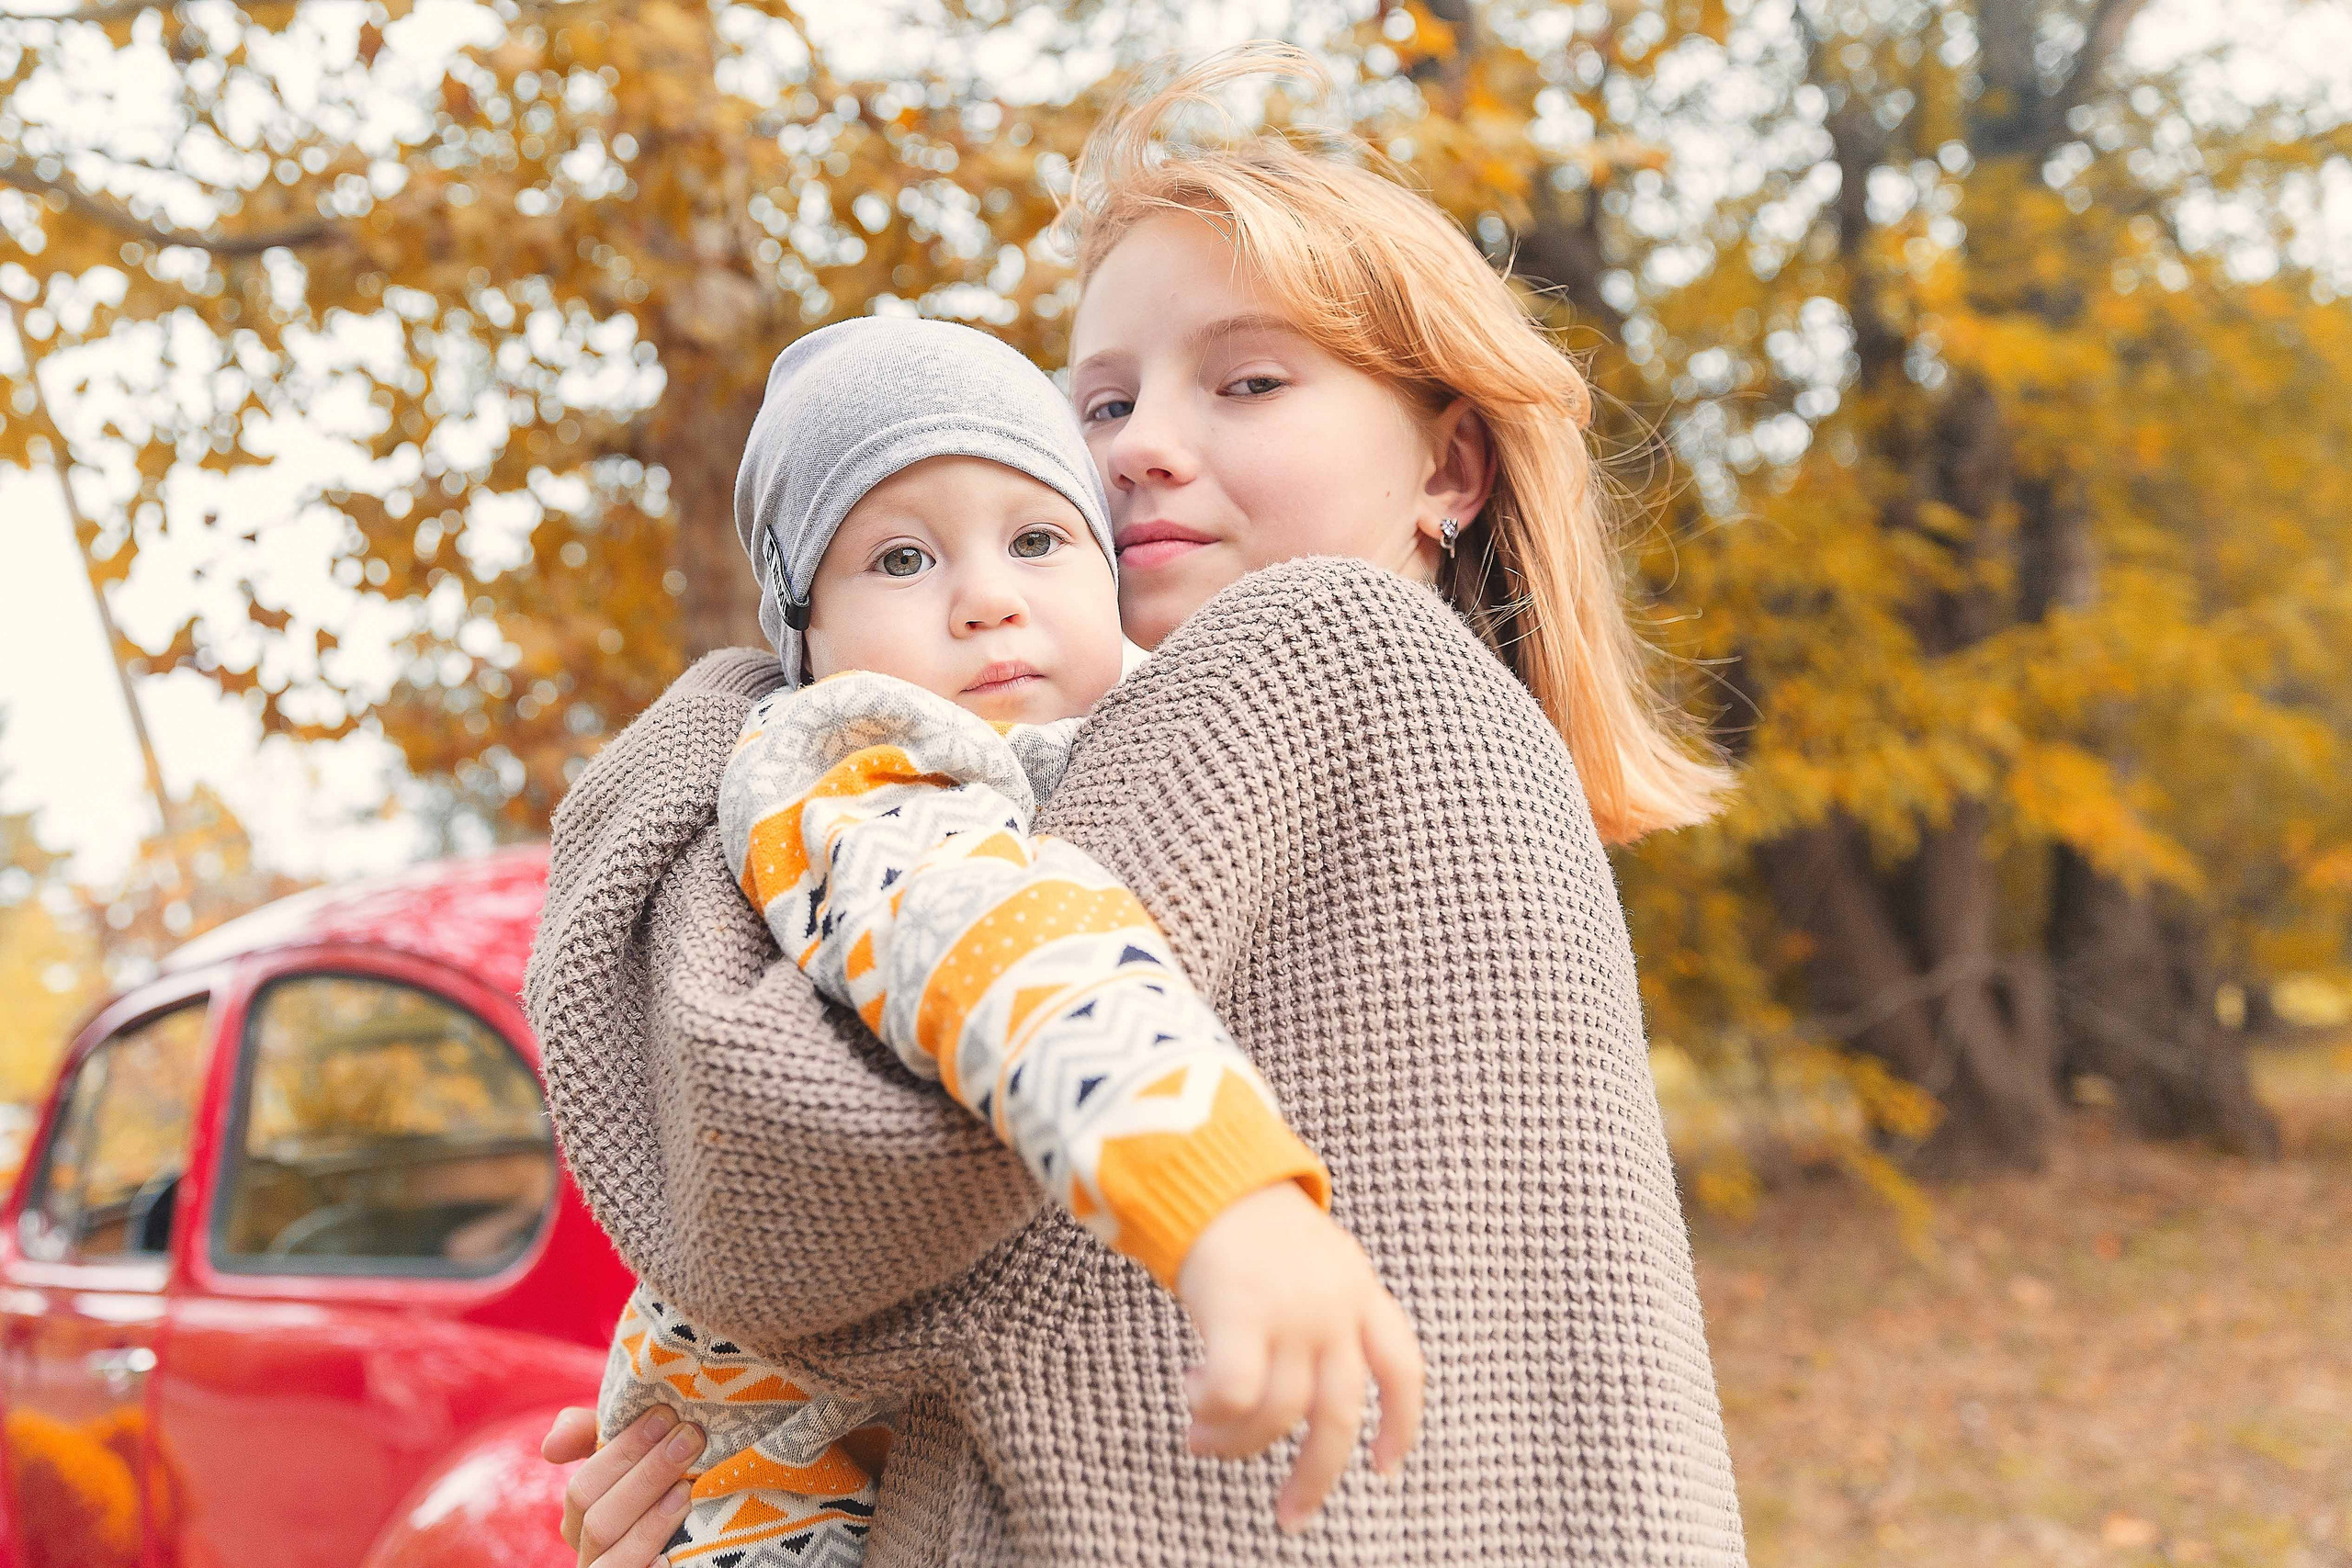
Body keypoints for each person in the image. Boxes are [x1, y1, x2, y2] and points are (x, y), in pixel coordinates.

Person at [530, 41, 1747, 1568]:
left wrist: (725, 1413)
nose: (1140, 449)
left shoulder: (1321, 646)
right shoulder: (1184, 754)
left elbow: (815, 1173)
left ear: (1450, 465)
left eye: (1246, 380)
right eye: (1095, 406)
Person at [590, 315, 1419, 1568]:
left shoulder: (1141, 739)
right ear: (804, 638)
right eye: (903, 558)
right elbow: (995, 942)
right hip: (777, 1472)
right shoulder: (850, 779)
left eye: (1038, 538)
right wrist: (1224, 1197)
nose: (986, 598)